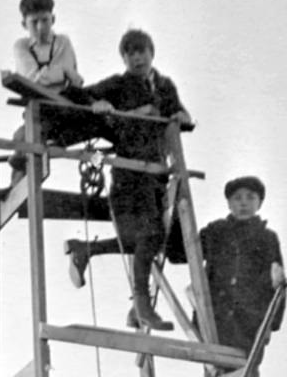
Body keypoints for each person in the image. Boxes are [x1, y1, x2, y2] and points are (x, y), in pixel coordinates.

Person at [63, 29, 193, 330]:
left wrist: (182, 118)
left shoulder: (164, 85)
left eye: (142, 52)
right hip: (129, 176)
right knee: (146, 237)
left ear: (152, 53)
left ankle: (88, 252)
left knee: (154, 239)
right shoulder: (119, 85)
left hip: (157, 175)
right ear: (123, 58)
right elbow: (80, 96)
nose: (137, 58)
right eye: (131, 53)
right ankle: (141, 306)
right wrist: (100, 105)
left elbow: (179, 112)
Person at [200, 175, 287, 377]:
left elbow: (278, 283)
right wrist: (174, 213)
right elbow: (180, 251)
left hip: (250, 324)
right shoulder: (215, 232)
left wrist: (271, 322)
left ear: (259, 202)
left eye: (250, 198)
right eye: (238, 198)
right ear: (228, 202)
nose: (244, 204)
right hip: (216, 321)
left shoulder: (267, 238)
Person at [7, 0, 84, 179]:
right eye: (34, 22)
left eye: (45, 20)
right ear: (24, 24)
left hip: (63, 109)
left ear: (53, 19)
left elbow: (73, 79)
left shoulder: (62, 42)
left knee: (25, 139)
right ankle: (13, 189)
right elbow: (30, 79)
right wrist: (62, 72)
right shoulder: (21, 47)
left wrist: (56, 74)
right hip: (37, 112)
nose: (41, 27)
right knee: (22, 138)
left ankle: (19, 184)